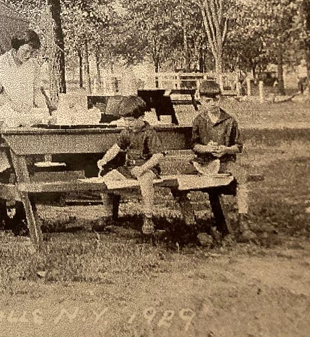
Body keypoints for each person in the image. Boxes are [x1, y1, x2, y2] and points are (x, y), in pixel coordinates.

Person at [0, 29, 55, 231]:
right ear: (16, 46)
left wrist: (43, 111)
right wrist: (15, 108)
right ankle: (1, 215)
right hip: (2, 118)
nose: (29, 55)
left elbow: (36, 92)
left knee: (26, 164)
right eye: (26, 50)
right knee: (2, 167)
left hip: (25, 120)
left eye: (32, 51)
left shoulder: (33, 66)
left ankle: (22, 215)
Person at [179, 80, 254, 241]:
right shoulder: (199, 120)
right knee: (179, 183)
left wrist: (225, 149)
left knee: (242, 175)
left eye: (215, 100)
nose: (212, 104)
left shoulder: (230, 121)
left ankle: (243, 221)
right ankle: (191, 224)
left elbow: (238, 146)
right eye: (207, 101)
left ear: (220, 99)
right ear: (201, 100)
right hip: (203, 162)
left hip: (225, 163)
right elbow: (195, 145)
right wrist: (207, 148)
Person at [96, 95, 166, 235]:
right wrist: (104, 159)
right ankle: (109, 215)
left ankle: (148, 216)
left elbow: (159, 155)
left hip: (147, 168)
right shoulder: (126, 132)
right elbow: (116, 147)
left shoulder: (149, 133)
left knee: (146, 180)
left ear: (141, 117)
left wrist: (143, 168)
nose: (128, 123)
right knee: (106, 180)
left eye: (131, 120)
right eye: (125, 120)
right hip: (129, 168)